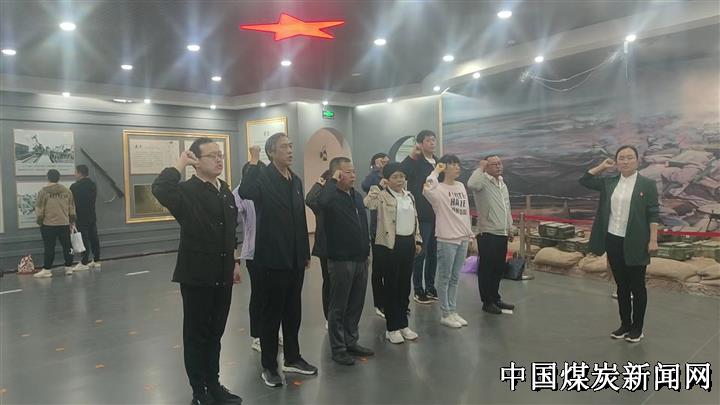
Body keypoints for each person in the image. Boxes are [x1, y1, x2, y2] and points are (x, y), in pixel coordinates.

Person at [152, 138, 242, 405]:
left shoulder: (224, 191)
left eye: (220, 155)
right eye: (212, 156)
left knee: (215, 333)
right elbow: (160, 188)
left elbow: (231, 230)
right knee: (196, 335)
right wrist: (180, 163)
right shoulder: (186, 191)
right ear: (196, 162)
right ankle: (199, 390)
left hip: (222, 273)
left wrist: (235, 261)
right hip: (197, 275)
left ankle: (213, 383)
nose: (219, 159)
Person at [238, 134, 317, 387]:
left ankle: (292, 358)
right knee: (271, 314)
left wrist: (304, 253)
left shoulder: (295, 180)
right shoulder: (262, 177)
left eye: (291, 146)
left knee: (293, 311)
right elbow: (246, 191)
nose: (290, 151)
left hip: (294, 258)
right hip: (271, 257)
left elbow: (300, 218)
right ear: (271, 153)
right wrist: (253, 160)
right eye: (284, 147)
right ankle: (269, 366)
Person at [579, 145, 659, 343]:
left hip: (637, 241)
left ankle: (637, 328)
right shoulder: (609, 182)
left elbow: (653, 213)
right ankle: (625, 325)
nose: (625, 161)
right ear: (616, 162)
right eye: (621, 158)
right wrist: (602, 167)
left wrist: (653, 239)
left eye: (630, 157)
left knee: (637, 286)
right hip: (613, 239)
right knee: (621, 285)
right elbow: (585, 180)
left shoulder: (647, 184)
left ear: (637, 160)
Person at [317, 157, 374, 365]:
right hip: (341, 260)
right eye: (348, 172)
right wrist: (332, 182)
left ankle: (351, 341)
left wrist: (367, 251)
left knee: (355, 305)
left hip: (360, 259)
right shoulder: (330, 196)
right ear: (337, 174)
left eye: (353, 171)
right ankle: (338, 348)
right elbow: (319, 202)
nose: (353, 175)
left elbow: (362, 224)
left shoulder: (356, 196)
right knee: (338, 306)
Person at [364, 162, 422, 343]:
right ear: (387, 179)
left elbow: (415, 219)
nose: (399, 180)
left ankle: (403, 324)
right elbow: (368, 203)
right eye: (395, 177)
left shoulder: (409, 196)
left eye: (402, 176)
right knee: (391, 286)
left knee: (404, 286)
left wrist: (417, 239)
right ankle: (392, 327)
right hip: (389, 245)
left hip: (408, 244)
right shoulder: (381, 196)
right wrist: (376, 187)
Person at [422, 156, 474, 328]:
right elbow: (427, 189)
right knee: (445, 277)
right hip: (447, 239)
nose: (457, 167)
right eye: (452, 164)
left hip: (462, 238)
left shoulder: (460, 186)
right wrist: (435, 171)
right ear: (444, 167)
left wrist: (469, 234)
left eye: (458, 164)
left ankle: (452, 310)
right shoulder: (438, 189)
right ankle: (445, 313)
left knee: (455, 277)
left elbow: (465, 212)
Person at [468, 155, 515, 315]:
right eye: (494, 164)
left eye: (500, 163)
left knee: (498, 268)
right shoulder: (482, 182)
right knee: (487, 269)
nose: (498, 166)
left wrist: (510, 227)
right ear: (486, 166)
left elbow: (507, 207)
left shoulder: (502, 183)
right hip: (487, 232)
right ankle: (487, 301)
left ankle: (495, 298)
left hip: (502, 232)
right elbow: (471, 184)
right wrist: (480, 168)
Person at [401, 130, 439, 304]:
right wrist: (412, 156)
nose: (432, 143)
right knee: (421, 253)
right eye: (428, 140)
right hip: (422, 213)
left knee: (433, 253)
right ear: (420, 143)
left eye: (433, 140)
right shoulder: (416, 162)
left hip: (437, 213)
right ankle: (418, 289)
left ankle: (430, 286)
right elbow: (402, 171)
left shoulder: (438, 163)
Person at [233, 161, 265, 353]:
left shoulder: (268, 187)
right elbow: (232, 220)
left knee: (274, 294)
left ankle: (271, 331)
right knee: (259, 294)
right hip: (254, 252)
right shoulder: (240, 193)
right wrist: (235, 258)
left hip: (274, 250)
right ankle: (258, 335)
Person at [362, 153, 390, 318]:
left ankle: (392, 301)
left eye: (386, 160)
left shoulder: (392, 177)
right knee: (379, 268)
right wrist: (375, 170)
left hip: (394, 232)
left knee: (392, 269)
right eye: (381, 160)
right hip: (377, 230)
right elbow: (365, 185)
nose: (384, 163)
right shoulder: (373, 179)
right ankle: (380, 303)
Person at [33, 169, 76, 278]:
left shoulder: (43, 192)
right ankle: (69, 267)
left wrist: (40, 221)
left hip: (48, 224)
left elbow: (39, 208)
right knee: (68, 246)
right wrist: (71, 220)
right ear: (58, 178)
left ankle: (47, 269)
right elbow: (71, 207)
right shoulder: (67, 191)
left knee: (49, 247)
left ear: (48, 177)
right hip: (64, 223)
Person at [305, 170, 332, 327]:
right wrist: (320, 181)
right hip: (325, 248)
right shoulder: (321, 202)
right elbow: (309, 199)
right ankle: (329, 317)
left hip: (343, 248)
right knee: (328, 282)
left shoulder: (344, 197)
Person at [70, 164, 101, 270]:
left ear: (79, 173)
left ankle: (84, 262)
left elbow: (71, 203)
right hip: (92, 215)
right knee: (94, 238)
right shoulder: (93, 185)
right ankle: (96, 260)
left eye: (75, 172)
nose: (75, 174)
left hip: (81, 216)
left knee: (83, 239)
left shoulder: (74, 187)